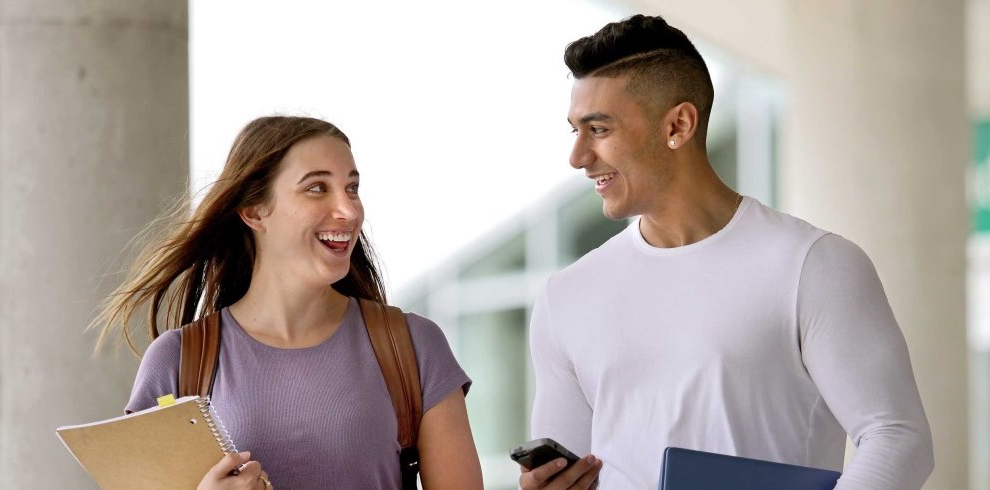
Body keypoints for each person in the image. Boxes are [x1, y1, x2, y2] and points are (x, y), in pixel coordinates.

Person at [518, 15, 935, 490]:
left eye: (599, 129)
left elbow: (897, 437)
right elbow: (566, 473)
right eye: (575, 130)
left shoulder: (813, 266)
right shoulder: (567, 296)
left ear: (678, 124)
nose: (578, 157)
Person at [92, 116, 483, 490]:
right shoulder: (176, 363)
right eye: (317, 187)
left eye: (352, 187)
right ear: (254, 211)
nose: (348, 211)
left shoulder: (414, 347)